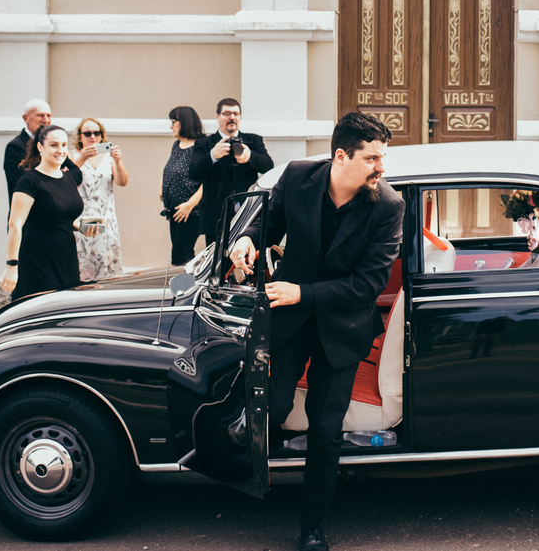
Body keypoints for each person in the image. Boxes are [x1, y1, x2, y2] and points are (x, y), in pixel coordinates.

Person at [230, 112, 404, 551]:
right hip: (289, 324)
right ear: (341, 156)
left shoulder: (388, 205)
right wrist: (247, 238)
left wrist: (302, 293)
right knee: (271, 406)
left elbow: (368, 284)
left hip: (344, 330)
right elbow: (266, 222)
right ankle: (251, 479)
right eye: (372, 158)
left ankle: (312, 527)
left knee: (325, 431)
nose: (381, 167)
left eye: (382, 157)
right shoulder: (297, 176)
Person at [1, 125, 100, 301]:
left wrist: (81, 227)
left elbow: (57, 216)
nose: (60, 150)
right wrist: (12, 266)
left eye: (64, 145)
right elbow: (15, 224)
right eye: (54, 145)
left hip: (66, 257)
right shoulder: (29, 181)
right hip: (38, 258)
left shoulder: (69, 178)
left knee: (64, 306)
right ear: (40, 147)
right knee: (41, 307)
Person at [188, 98, 274, 244]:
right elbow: (194, 173)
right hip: (215, 214)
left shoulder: (253, 140)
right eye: (227, 113)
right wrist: (212, 156)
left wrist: (251, 157)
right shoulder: (205, 143)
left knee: (246, 255)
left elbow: (268, 166)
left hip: (247, 212)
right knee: (216, 257)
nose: (232, 117)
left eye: (236, 114)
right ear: (217, 116)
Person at [72, 117, 129, 281]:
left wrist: (118, 161)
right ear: (80, 136)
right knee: (82, 264)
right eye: (87, 133)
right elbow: (65, 178)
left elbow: (122, 182)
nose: (92, 137)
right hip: (81, 221)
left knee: (107, 265)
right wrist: (83, 157)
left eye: (97, 133)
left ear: (102, 136)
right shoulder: (72, 156)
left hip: (106, 219)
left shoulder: (109, 158)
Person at [162, 106, 206, 266]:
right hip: (174, 210)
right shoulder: (177, 145)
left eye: (174, 122)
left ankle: (188, 281)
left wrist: (190, 205)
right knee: (180, 253)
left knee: (181, 255)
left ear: (185, 122)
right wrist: (163, 185)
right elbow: (172, 169)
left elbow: (207, 181)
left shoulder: (200, 147)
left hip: (190, 212)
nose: (171, 126)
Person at [3, 98, 53, 201]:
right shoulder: (15, 147)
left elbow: (75, 174)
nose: (46, 120)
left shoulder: (54, 144)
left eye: (48, 116)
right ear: (26, 118)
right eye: (40, 115)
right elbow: (28, 182)